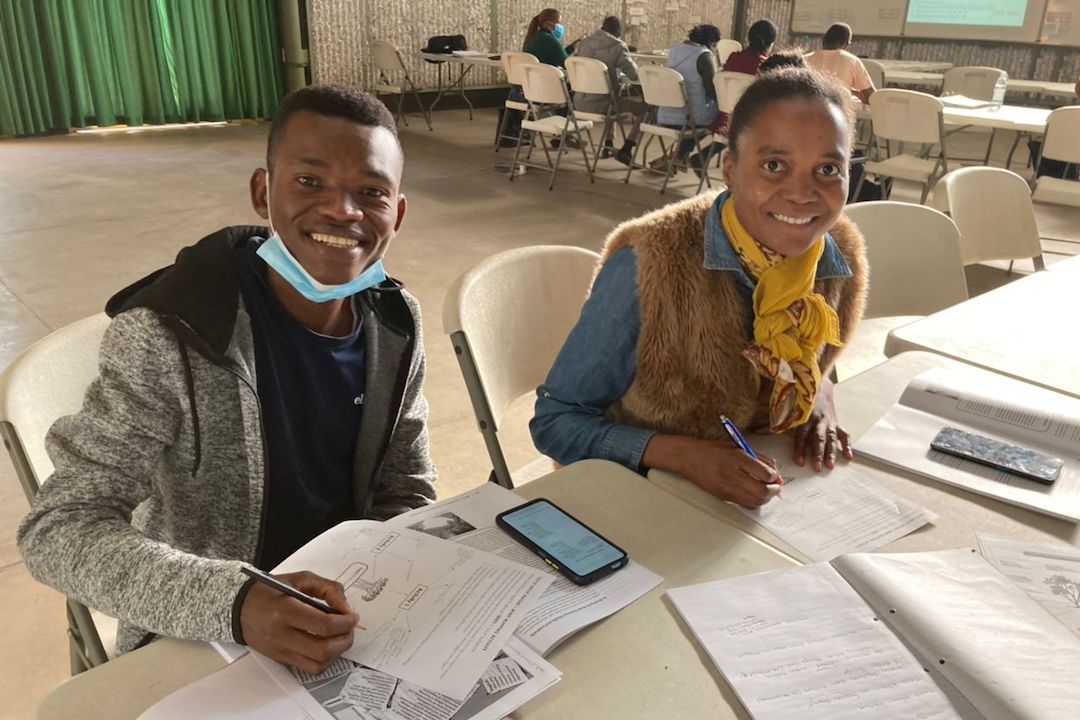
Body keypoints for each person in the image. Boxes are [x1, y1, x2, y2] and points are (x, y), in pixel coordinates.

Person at [17, 86, 437, 674]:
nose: (344, 211)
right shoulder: (170, 335)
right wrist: (237, 603)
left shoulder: (394, 322)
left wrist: (406, 577)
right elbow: (59, 529)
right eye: (310, 182)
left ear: (398, 212)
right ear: (263, 192)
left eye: (371, 192)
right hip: (204, 630)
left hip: (349, 614)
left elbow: (405, 484)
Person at [531, 62, 868, 509]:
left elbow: (815, 354)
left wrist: (821, 397)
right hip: (637, 494)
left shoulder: (837, 254)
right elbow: (555, 422)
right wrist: (683, 456)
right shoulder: (652, 264)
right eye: (774, 165)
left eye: (828, 169)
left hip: (754, 498)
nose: (802, 193)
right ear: (729, 167)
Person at [689, 20, 779, 175]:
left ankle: (701, 156)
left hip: (724, 117)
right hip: (749, 122)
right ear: (771, 43)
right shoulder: (766, 67)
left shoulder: (734, 58)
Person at [649, 24, 723, 171]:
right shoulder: (704, 56)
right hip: (691, 118)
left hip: (666, 114)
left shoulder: (674, 51)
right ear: (711, 42)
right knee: (727, 118)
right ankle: (691, 156)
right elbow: (712, 92)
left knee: (692, 117)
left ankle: (679, 156)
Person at [573, 15, 644, 160]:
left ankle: (609, 144)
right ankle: (628, 146)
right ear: (618, 31)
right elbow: (634, 75)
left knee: (612, 95)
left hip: (579, 102)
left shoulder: (585, 43)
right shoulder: (618, 46)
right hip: (603, 106)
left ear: (602, 27)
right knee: (645, 108)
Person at [806, 23, 875, 104]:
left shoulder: (805, 59)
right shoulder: (852, 61)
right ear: (845, 45)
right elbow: (871, 97)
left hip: (807, 111)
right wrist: (850, 91)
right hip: (840, 113)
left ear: (824, 40)